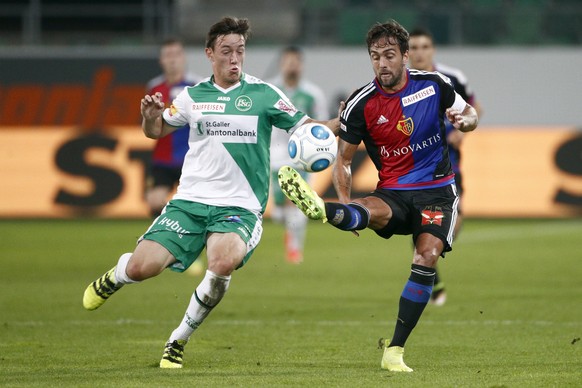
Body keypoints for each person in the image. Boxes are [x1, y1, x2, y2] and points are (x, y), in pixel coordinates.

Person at [82, 16, 340, 369]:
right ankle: (117, 274)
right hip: (189, 202)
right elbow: (155, 131)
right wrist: (149, 116)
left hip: (240, 206)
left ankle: (178, 340)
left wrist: (343, 122)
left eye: (240, 51)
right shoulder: (192, 97)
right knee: (144, 268)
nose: (235, 59)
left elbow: (308, 127)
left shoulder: (264, 94)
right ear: (209, 54)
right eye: (226, 51)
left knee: (222, 261)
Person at [278, 19, 478, 372]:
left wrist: (464, 122)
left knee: (427, 255)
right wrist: (343, 197)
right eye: (375, 57)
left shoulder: (435, 85)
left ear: (404, 56)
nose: (382, 64)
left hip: (436, 192)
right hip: (394, 192)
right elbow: (343, 158)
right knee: (361, 209)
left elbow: (471, 113)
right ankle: (329, 211)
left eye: (389, 55)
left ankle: (395, 351)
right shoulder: (362, 102)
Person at [408, 27, 484, 306]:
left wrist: (462, 131)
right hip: (414, 164)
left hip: (449, 160)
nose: (419, 52)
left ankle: (429, 261)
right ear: (407, 53)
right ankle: (429, 270)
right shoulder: (400, 82)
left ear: (433, 50)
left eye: (424, 46)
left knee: (456, 219)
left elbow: (476, 108)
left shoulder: (452, 79)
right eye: (413, 47)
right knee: (422, 218)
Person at [268, 45, 329, 264]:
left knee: (298, 203)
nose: (292, 65)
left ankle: (294, 249)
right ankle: (289, 236)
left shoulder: (313, 94)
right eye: (288, 60)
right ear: (282, 63)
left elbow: (322, 125)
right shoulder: (270, 90)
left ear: (301, 65)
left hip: (302, 158)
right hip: (273, 156)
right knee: (278, 215)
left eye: (296, 61)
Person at [145, 38, 200, 218]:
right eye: (168, 55)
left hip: (191, 158)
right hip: (164, 159)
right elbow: (148, 125)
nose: (172, 60)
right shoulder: (154, 87)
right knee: (154, 201)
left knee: (199, 203)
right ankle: (168, 230)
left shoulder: (196, 85)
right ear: (161, 60)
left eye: (176, 54)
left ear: (183, 58)